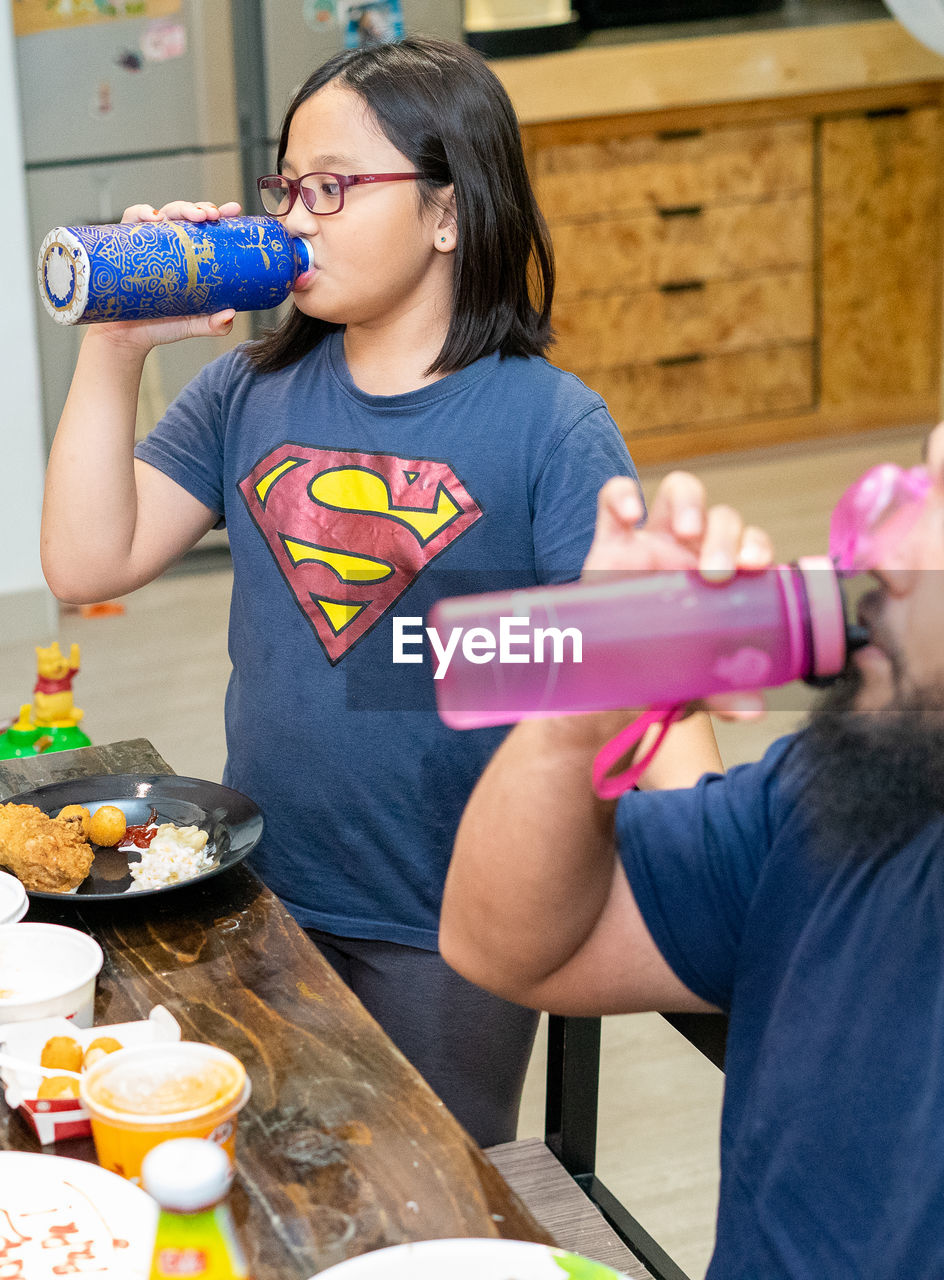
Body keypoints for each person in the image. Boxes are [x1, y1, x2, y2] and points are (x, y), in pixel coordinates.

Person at [39, 36, 698, 1147]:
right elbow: (85, 562)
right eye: (287, 187)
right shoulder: (247, 390)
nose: (296, 217)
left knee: (423, 1190)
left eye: (333, 187)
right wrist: (116, 347)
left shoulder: (550, 428)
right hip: (258, 885)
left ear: (448, 211)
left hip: (451, 924)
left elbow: (638, 691)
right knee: (261, 1166)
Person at [439, 381, 944, 1273]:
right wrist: (592, 684)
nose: (880, 547)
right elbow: (508, 948)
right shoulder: (855, 795)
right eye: (920, 490)